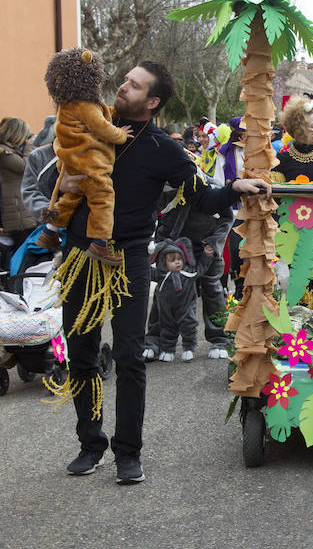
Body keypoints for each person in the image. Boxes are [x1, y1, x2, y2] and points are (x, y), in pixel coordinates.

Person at [46, 60, 272, 485]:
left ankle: (127, 452)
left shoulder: (163, 149)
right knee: (82, 354)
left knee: (131, 355)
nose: (122, 86)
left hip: (128, 257)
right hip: (80, 254)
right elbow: (49, 174)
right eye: (125, 79)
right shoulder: (89, 121)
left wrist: (234, 188)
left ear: (151, 101)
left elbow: (201, 197)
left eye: (133, 85)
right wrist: (66, 186)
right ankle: (90, 444)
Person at [38, 48, 133, 263]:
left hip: (72, 161)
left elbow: (97, 116)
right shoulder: (86, 105)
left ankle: (49, 231)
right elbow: (100, 126)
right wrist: (120, 134)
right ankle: (99, 243)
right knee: (103, 198)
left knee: (72, 197)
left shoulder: (68, 104)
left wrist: (114, 111)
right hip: (89, 161)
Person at [144, 172, 234, 361]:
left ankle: (220, 338)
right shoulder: (166, 185)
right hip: (173, 248)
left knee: (213, 289)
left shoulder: (211, 186)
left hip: (205, 246)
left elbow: (227, 218)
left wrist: (214, 242)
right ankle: (154, 340)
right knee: (165, 290)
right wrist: (161, 244)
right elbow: (153, 212)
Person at [147, 238, 205, 362]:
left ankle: (189, 348)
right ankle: (168, 350)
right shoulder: (161, 275)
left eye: (179, 259)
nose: (177, 262)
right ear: (164, 263)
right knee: (167, 327)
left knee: (188, 325)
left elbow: (202, 267)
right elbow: (146, 271)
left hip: (186, 307)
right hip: (167, 309)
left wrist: (208, 255)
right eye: (172, 260)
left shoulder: (189, 273)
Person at [0, 117, 38, 267]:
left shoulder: (10, 151)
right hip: (15, 211)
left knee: (23, 248)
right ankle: (15, 281)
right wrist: (30, 146)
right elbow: (26, 166)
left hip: (20, 208)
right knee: (20, 250)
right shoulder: (4, 153)